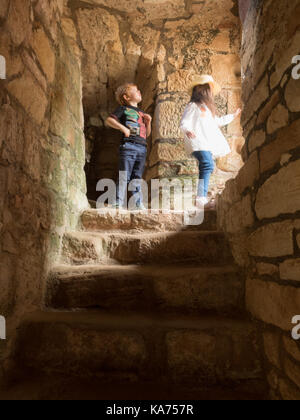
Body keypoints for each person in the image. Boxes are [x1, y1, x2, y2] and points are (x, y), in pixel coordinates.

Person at [180, 75, 241, 209]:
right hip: (197, 141)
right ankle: (200, 199)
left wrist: (233, 116)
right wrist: (188, 130)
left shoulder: (207, 109)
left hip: (205, 143)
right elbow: (184, 122)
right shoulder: (193, 106)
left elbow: (217, 122)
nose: (212, 92)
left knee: (207, 165)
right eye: (210, 88)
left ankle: (201, 198)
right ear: (203, 90)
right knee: (207, 164)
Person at [106, 83, 152, 210]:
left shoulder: (142, 113)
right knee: (124, 175)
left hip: (142, 147)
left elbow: (146, 135)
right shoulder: (123, 109)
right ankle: (117, 201)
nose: (139, 92)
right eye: (135, 90)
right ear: (126, 97)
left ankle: (138, 203)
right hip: (129, 146)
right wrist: (123, 128)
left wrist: (148, 123)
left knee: (137, 176)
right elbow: (109, 120)